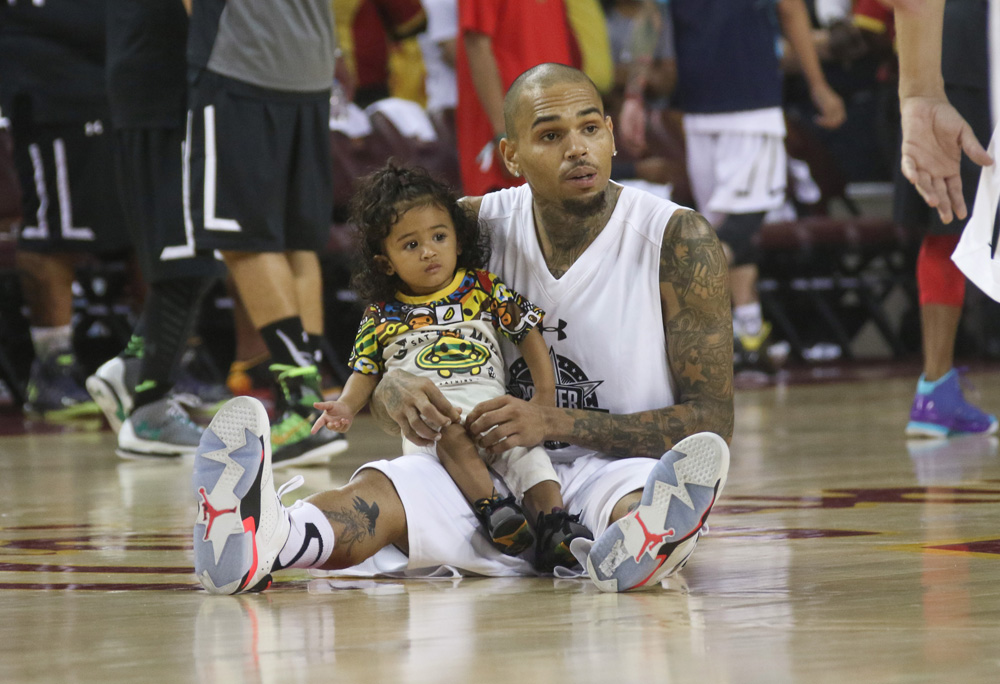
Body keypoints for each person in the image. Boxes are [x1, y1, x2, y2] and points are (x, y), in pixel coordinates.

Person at [192, 63, 733, 595]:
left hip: (611, 468)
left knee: (635, 496)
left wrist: (550, 420)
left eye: (590, 128)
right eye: (551, 134)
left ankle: (640, 540)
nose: (577, 148)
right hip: (477, 462)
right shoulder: (462, 228)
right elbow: (389, 345)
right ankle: (267, 538)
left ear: (612, 135)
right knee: (383, 492)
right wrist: (390, 390)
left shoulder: (676, 238)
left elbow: (711, 421)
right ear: (511, 155)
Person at [311, 163, 593, 567]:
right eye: (410, 245)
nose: (428, 251)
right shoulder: (381, 314)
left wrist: (543, 400)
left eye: (439, 237)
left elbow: (528, 334)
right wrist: (345, 406)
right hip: (430, 421)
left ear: (458, 240)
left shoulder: (482, 286)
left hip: (493, 409)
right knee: (446, 435)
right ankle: (494, 510)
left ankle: (554, 524)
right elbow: (366, 372)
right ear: (385, 262)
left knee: (528, 454)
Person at [618, 0, 846, 373]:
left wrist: (633, 95)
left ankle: (748, 330)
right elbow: (791, 10)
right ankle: (647, 311)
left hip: (697, 108)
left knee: (723, 229)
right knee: (740, 227)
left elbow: (649, 16)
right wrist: (818, 84)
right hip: (750, 102)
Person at [184, 0, 347, 466]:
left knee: (242, 239)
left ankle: (299, 403)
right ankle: (312, 408)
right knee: (297, 241)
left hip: (241, 63)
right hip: (313, 66)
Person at [84, 0, 227, 457]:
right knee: (188, 262)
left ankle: (133, 369)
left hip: (156, 91)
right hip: (168, 95)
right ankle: (148, 408)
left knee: (199, 260)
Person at [854, 0, 997, 438]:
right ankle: (936, 386)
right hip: (969, 60)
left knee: (945, 226)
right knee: (949, 223)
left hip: (936, 64)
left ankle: (936, 386)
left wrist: (917, 89)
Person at [0, 0, 129, 419]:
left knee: (151, 232)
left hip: (124, 92)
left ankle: (160, 360)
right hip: (50, 93)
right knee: (52, 231)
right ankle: (53, 365)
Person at [456, 0, 577, 196]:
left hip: (552, 130)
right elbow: (477, 45)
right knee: (508, 218)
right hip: (509, 137)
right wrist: (503, 132)